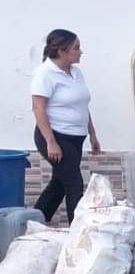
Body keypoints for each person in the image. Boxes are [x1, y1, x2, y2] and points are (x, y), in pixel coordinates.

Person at [31, 29, 100, 224]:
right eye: (76, 48)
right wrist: (51, 142)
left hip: (75, 137)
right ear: (61, 51)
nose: (81, 51)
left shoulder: (76, 72)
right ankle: (77, 234)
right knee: (73, 184)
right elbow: (38, 108)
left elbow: (82, 105)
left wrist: (92, 134)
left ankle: (33, 222)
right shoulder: (45, 74)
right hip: (55, 136)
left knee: (59, 184)